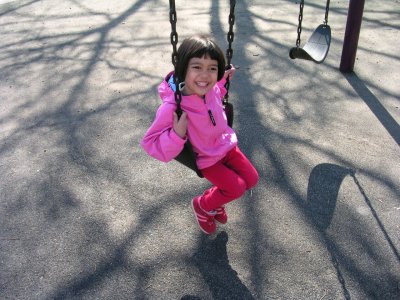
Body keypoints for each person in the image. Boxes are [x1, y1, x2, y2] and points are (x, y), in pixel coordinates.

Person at [141, 35, 259, 234]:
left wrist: (223, 80)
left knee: (252, 179)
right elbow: (150, 143)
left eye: (212, 68)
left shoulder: (210, 89)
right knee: (236, 188)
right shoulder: (173, 107)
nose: (205, 76)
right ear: (183, 69)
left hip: (226, 146)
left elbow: (217, 94)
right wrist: (176, 135)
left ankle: (216, 200)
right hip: (206, 158)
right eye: (197, 67)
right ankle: (203, 205)